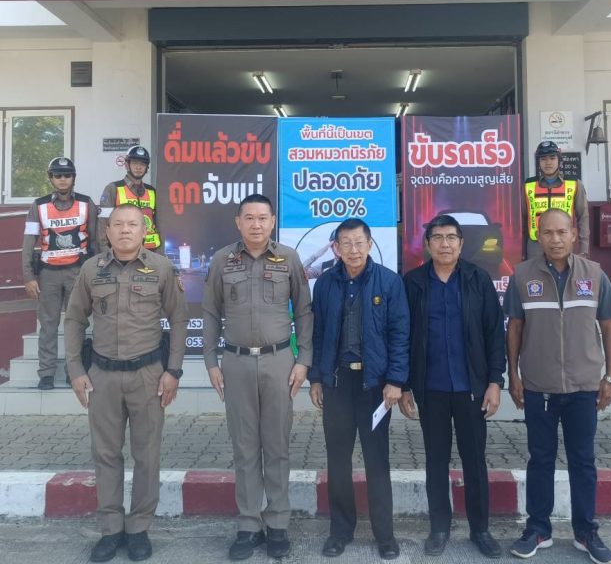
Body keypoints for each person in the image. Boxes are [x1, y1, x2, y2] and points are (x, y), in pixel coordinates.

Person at [64, 204, 188, 563]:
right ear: (107, 231)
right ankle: (111, 528)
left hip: (148, 375)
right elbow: (74, 319)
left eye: (133, 224)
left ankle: (138, 528)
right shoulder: (92, 269)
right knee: (105, 454)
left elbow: (179, 319)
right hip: (102, 375)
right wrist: (75, 370)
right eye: (117, 224)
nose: (125, 230)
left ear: (144, 230)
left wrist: (173, 371)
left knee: (146, 454)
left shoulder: (160, 268)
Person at [504, 208, 611, 564]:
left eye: (561, 232)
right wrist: (513, 375)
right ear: (539, 236)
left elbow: (609, 327)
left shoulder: (595, 274)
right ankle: (538, 529)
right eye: (548, 233)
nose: (555, 239)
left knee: (583, 461)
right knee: (540, 459)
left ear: (573, 235)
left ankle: (586, 532)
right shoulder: (522, 275)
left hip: (584, 387)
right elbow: (515, 328)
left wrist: (610, 377)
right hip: (538, 387)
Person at [202, 193, 313, 561]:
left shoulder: (289, 258)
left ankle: (277, 523)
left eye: (262, 218)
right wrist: (211, 361)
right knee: (245, 446)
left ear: (272, 221)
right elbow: (210, 312)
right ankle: (249, 524)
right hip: (235, 363)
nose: (256, 224)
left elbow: (305, 311)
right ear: (238, 222)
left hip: (279, 361)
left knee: (277, 445)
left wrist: (303, 360)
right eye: (249, 217)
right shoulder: (222, 260)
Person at [399, 214, 506, 559]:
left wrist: (495, 381)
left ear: (461, 243)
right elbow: (402, 336)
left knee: (474, 460)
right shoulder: (413, 283)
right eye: (438, 238)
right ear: (428, 244)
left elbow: (494, 334)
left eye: (451, 238)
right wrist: (403, 385)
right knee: (436, 460)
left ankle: (480, 529)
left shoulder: (478, 279)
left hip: (471, 387)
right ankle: (439, 528)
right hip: (430, 388)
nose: (444, 244)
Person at [308, 218, 409, 561]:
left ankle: (385, 535)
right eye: (346, 244)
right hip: (337, 383)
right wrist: (317, 378)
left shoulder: (389, 282)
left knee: (377, 461)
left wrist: (396, 381)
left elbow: (400, 334)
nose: (353, 250)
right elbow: (318, 333)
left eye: (358, 242)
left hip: (374, 387)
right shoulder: (325, 284)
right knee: (338, 461)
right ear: (336, 248)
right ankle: (340, 531)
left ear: (369, 244)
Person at [21, 156, 98, 390]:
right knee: (48, 325)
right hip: (49, 274)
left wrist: (97, 273)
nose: (62, 179)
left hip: (77, 272)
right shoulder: (38, 206)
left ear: (73, 178)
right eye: (57, 175)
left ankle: (73, 372)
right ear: (51, 178)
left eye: (67, 175)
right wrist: (28, 277)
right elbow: (28, 243)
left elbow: (96, 242)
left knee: (76, 324)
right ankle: (46, 373)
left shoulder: (86, 203)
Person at [523, 141, 589, 259]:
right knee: (535, 272)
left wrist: (584, 250)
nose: (548, 162)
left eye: (552, 158)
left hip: (563, 244)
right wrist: (521, 251)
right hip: (535, 247)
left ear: (559, 160)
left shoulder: (574, 184)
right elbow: (522, 220)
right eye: (543, 159)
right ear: (538, 162)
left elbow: (583, 217)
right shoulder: (528, 186)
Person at [99, 145, 161, 253]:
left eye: (142, 164)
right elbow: (103, 224)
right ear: (127, 165)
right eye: (135, 163)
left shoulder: (152, 191)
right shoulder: (113, 189)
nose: (139, 167)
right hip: (122, 252)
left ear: (147, 168)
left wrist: (159, 254)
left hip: (150, 252)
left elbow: (159, 224)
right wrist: (106, 253)